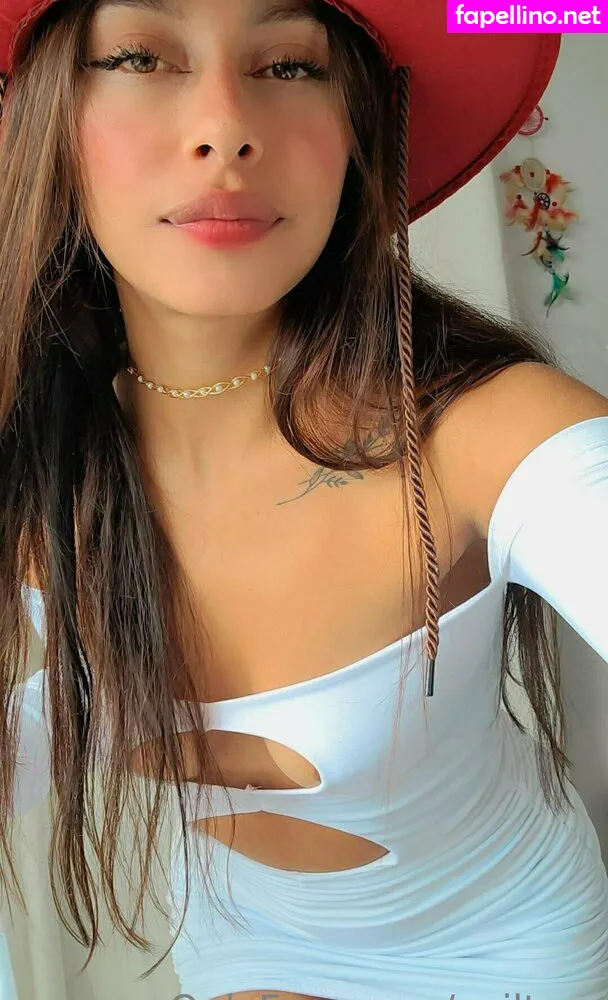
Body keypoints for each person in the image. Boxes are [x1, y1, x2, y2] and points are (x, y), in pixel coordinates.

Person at [0, 0, 607, 998]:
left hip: (498, 937)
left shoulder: (478, 431)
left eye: (288, 66)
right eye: (141, 56)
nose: (224, 127)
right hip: (240, 941)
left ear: (357, 133)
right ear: (43, 121)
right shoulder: (35, 464)